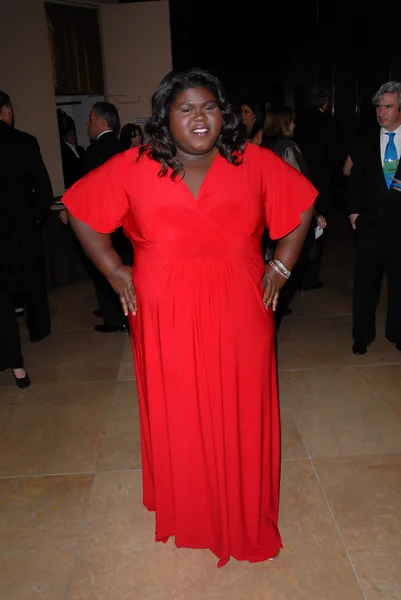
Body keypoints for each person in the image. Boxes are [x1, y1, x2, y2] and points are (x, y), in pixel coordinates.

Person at [62, 67, 316, 567]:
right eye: (186, 108)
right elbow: (79, 209)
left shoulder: (254, 161)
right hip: (162, 307)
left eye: (209, 107)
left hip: (242, 305)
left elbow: (303, 204)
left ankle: (240, 510)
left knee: (241, 405)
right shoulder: (133, 164)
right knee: (179, 403)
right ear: (165, 115)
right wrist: (114, 270)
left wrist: (281, 267)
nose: (200, 118)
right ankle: (190, 504)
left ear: (223, 113)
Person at [0, 90, 54, 386]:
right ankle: (38, 330)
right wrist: (34, 218)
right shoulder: (24, 141)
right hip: (22, 226)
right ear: (6, 110)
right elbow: (43, 188)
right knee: (32, 279)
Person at [347, 80, 401, 355]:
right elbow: (354, 180)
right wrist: (354, 213)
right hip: (370, 225)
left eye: (388, 107)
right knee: (365, 285)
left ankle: (398, 332)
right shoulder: (365, 141)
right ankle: (362, 336)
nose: (382, 112)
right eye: (379, 107)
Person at [260, 104, 326, 326]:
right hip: (285, 221)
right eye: (292, 120)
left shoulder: (261, 146)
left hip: (265, 220)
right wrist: (315, 214)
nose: (295, 124)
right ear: (284, 122)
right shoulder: (288, 147)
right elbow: (300, 189)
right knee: (283, 273)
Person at [81, 101, 131, 332]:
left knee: (105, 267)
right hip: (128, 222)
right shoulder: (126, 148)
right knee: (126, 265)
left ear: (101, 122)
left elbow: (87, 192)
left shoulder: (93, 152)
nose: (87, 124)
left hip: (104, 222)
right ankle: (127, 312)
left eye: (90, 119)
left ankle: (114, 318)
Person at [294, 85, 332, 290]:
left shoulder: (300, 121)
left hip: (302, 177)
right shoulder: (327, 122)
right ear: (325, 104)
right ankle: (309, 277)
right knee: (320, 227)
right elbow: (333, 153)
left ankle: (299, 275)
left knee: (303, 225)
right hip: (321, 180)